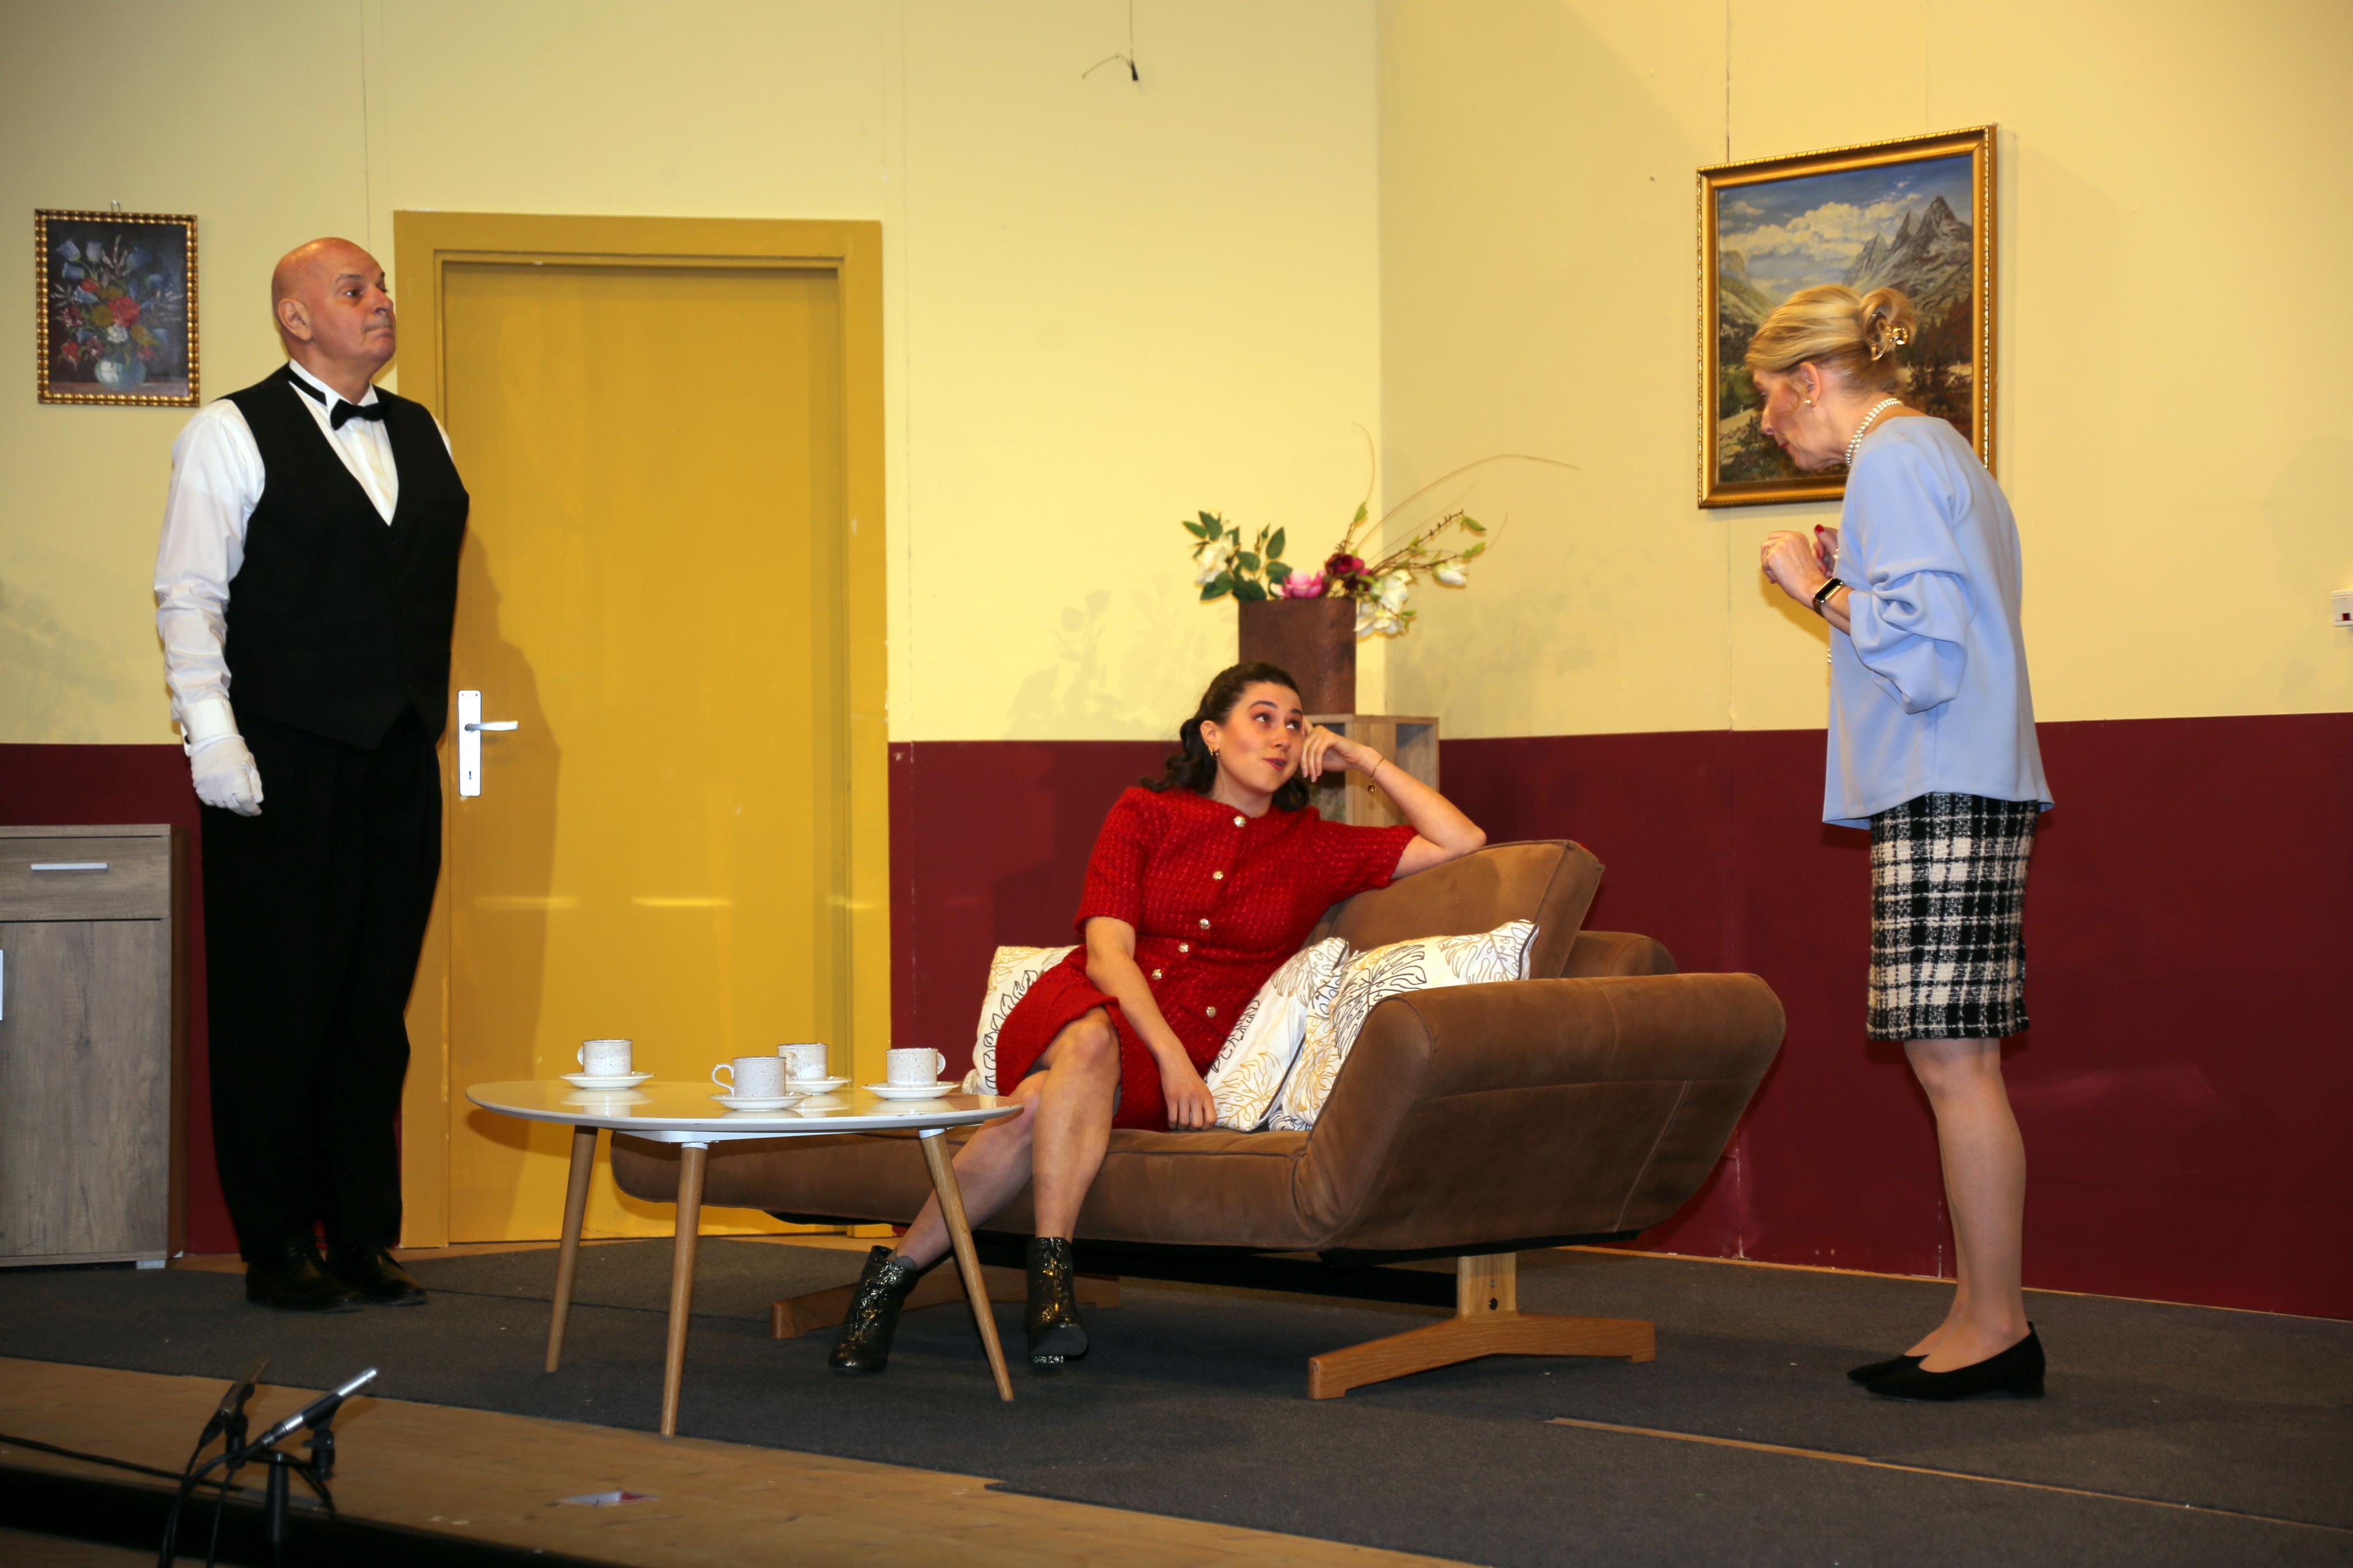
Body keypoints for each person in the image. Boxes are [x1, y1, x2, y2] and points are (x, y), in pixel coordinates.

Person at [830, 662, 1487, 1374]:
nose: (1282, 736)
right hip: (1087, 1005)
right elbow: (1106, 954)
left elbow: (1463, 841)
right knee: (1088, 1043)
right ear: (1212, 734)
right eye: (1262, 718)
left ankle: (887, 1282)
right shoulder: (1143, 812)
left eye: (1295, 724)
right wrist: (1173, 1061)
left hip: (1173, 1050)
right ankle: (1052, 1280)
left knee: (1036, 1106)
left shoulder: (1315, 845)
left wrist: (1364, 759)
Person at [153, 238, 468, 1311]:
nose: (381, 302)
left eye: (380, 287)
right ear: (295, 317)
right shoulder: (229, 432)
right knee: (277, 1003)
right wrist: (212, 737)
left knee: (373, 1006)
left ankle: (362, 1235)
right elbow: (189, 596)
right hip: (277, 757)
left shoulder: (424, 431)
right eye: (354, 289)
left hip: (396, 758)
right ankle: (278, 1241)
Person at [1753, 284, 2053, 1400]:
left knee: (1953, 1062)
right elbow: (1940, 623)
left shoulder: (1890, 457)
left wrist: (1817, 585)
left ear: (1808, 381)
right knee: (1951, 1059)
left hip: (1944, 780)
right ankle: (1980, 1312)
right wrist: (1858, 582)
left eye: (1768, 401)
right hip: (1959, 776)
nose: (1767, 426)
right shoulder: (1935, 451)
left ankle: (1998, 1324)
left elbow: (1923, 660)